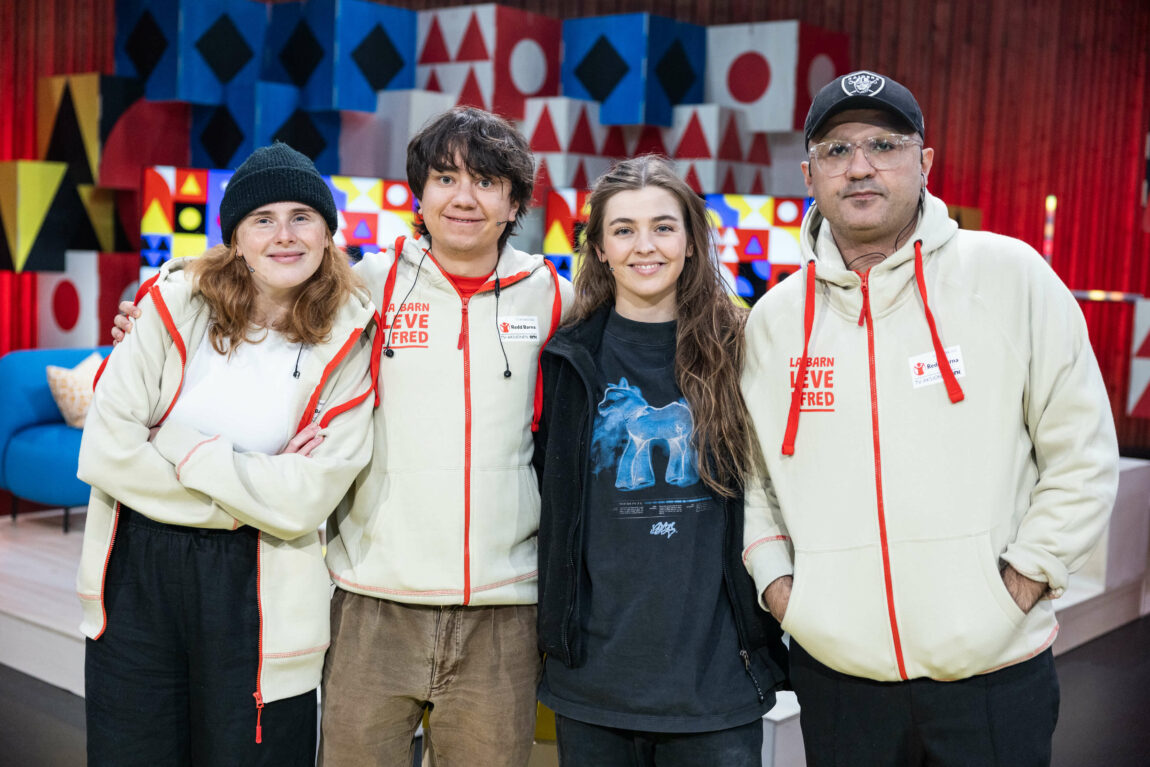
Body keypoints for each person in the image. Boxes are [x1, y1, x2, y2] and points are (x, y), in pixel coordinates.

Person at [112, 108, 571, 766]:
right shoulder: (364, 288)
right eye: (445, 177)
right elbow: (253, 288)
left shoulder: (556, 296)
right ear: (419, 193)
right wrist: (151, 312)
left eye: (487, 181)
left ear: (514, 201)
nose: (464, 197)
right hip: (370, 601)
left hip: (503, 610)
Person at [739, 70, 1120, 766]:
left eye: (883, 144)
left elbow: (1082, 452)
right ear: (809, 172)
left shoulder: (1013, 277)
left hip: (993, 671)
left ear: (925, 161)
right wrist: (784, 590)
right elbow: (756, 479)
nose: (859, 166)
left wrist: (1018, 584)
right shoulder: (772, 321)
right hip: (837, 673)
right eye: (836, 149)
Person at [77, 142, 378, 765]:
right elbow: (106, 451)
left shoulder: (352, 334)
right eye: (262, 219)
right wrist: (256, 483)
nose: (284, 235)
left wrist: (179, 445)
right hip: (137, 574)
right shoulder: (170, 303)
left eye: (303, 216)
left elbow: (303, 503)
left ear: (328, 232)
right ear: (235, 238)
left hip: (263, 588)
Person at [533, 155, 789, 766]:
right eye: (623, 229)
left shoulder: (745, 348)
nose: (643, 246)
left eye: (663, 227)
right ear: (597, 247)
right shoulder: (566, 359)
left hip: (716, 684)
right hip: (594, 680)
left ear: (693, 243)